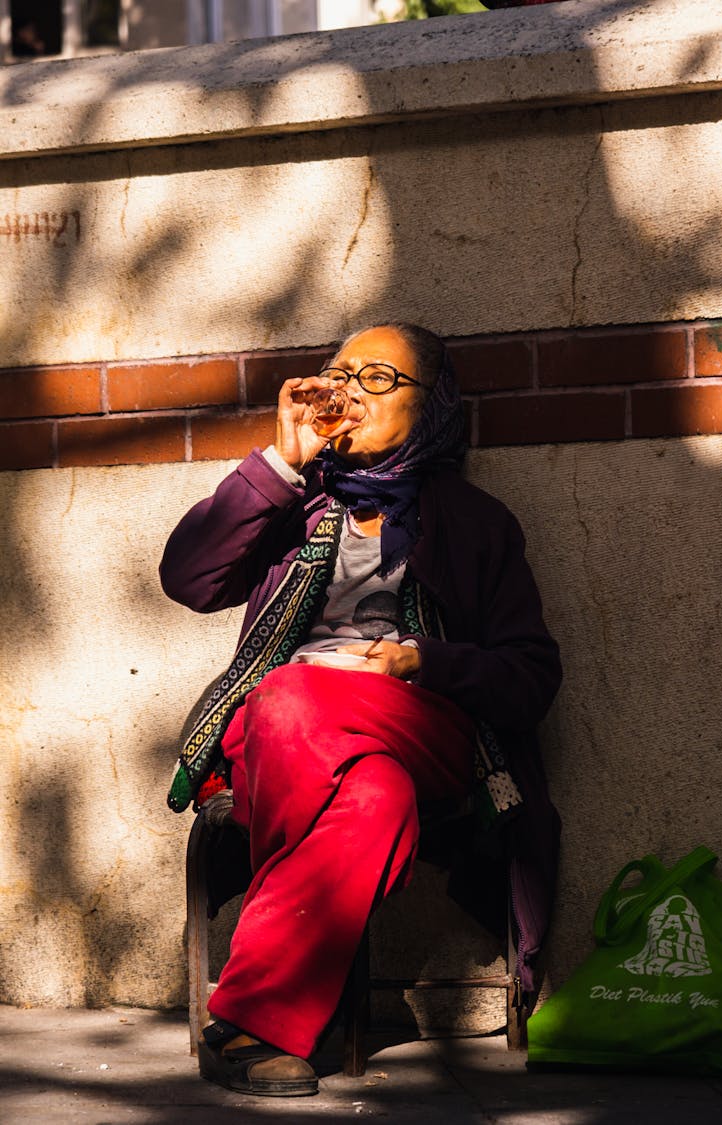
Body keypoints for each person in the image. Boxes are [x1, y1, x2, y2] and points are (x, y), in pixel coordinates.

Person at [160, 322, 562, 1098]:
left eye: (379, 379)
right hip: (277, 729)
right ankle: (257, 1021)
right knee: (368, 791)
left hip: (419, 719)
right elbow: (189, 577)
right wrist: (281, 460)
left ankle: (254, 1004)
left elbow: (531, 677)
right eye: (339, 373)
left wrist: (424, 660)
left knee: (296, 693)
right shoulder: (297, 503)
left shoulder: (476, 524)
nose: (348, 389)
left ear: (432, 408)